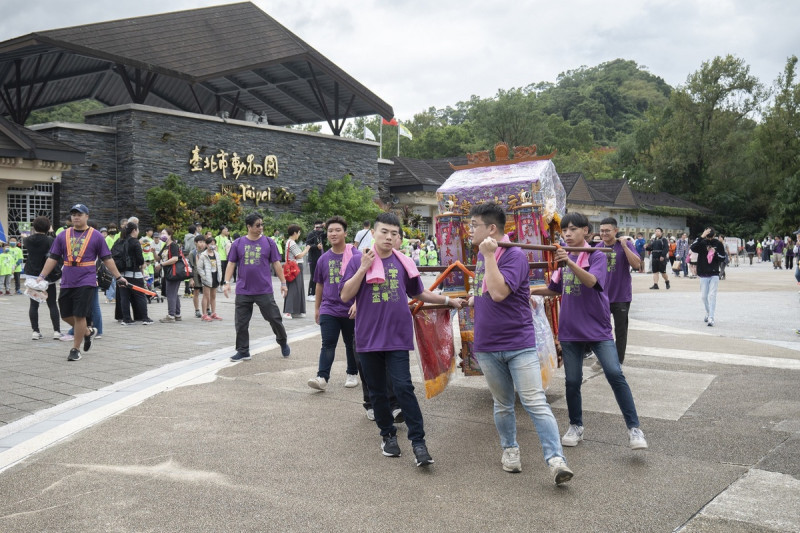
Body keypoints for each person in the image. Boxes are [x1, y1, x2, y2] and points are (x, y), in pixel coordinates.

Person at [340, 212, 464, 467]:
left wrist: (448, 301)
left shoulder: (403, 262)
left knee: (404, 387)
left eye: (394, 233)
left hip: (397, 336)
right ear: (373, 233)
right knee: (376, 392)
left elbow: (419, 292)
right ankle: (387, 435)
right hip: (368, 337)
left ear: (398, 237)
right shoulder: (357, 260)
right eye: (384, 232)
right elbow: (345, 295)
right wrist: (364, 267)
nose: (389, 237)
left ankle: (419, 442)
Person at [467, 202, 573, 485]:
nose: (469, 231)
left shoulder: (513, 255)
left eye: (474, 225)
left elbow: (500, 293)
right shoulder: (483, 255)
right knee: (502, 404)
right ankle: (510, 450)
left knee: (534, 401)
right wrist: (473, 297)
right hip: (488, 344)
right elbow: (485, 290)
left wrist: (489, 257)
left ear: (491, 229)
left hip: (518, 343)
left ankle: (555, 460)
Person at [531, 212, 648, 451]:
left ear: (586, 231)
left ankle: (634, 428)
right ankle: (576, 425)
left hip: (598, 328)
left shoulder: (597, 255)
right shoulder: (562, 256)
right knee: (572, 381)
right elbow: (554, 289)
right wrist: (526, 291)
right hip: (570, 329)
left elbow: (592, 282)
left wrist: (569, 261)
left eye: (573, 229)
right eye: (565, 230)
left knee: (615, 373)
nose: (567, 234)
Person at [37, 204, 128, 361]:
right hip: (67, 279)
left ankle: (75, 349)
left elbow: (107, 258)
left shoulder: (96, 236)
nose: (76, 217)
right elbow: (53, 258)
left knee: (80, 315)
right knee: (65, 314)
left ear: (87, 216)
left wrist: (118, 277)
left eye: (79, 214)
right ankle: (87, 332)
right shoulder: (63, 235)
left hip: (87, 279)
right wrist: (41, 276)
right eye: (73, 214)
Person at [223, 212, 290, 360]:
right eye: (257, 225)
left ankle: (283, 341)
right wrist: (226, 282)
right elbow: (231, 263)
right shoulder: (238, 243)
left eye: (262, 225)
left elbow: (277, 264)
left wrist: (283, 283)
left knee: (274, 318)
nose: (261, 227)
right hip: (243, 290)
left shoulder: (269, 242)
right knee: (241, 323)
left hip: (263, 289)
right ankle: (243, 350)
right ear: (249, 226)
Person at [307, 216, 359, 391]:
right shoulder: (323, 259)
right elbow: (320, 284)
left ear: (345, 232)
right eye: (330, 231)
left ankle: (352, 373)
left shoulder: (356, 257)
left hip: (351, 308)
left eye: (337, 230)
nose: (333, 233)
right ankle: (322, 377)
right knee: (328, 342)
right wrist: (317, 308)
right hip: (329, 308)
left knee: (351, 343)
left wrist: (358, 303)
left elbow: (365, 283)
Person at [590, 217, 642, 373]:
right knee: (601, 330)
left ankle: (618, 361)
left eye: (607, 230)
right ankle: (602, 359)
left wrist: (625, 246)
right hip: (601, 296)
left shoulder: (625, 245)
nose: (604, 233)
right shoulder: (597, 247)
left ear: (615, 230)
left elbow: (636, 264)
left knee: (620, 331)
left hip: (621, 296)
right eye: (602, 230)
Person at [25, 216, 64, 339]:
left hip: (32, 274)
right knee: (52, 303)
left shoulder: (27, 240)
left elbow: (26, 237)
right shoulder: (50, 240)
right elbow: (58, 246)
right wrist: (51, 232)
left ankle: (35, 332)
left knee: (34, 303)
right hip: (47, 275)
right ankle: (57, 331)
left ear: (34, 227)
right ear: (48, 227)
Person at [118, 222, 153, 326]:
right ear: (134, 230)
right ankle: (145, 318)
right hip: (134, 273)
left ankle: (126, 319)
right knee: (140, 295)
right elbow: (140, 259)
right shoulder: (135, 242)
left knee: (124, 297)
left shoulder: (120, 241)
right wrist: (142, 264)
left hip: (121, 274)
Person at [690, 227, 726, 327]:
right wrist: (702, 236)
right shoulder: (701, 242)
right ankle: (708, 312)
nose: (709, 240)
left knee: (712, 295)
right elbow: (692, 248)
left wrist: (715, 253)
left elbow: (723, 258)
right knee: (704, 296)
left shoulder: (718, 243)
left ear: (714, 236)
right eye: (707, 237)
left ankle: (711, 317)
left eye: (711, 237)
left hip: (714, 273)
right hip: (703, 273)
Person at [283, 224, 310, 319]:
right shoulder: (292, 243)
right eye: (298, 232)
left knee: (297, 288)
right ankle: (288, 311)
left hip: (293, 267)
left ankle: (296, 311)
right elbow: (299, 255)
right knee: (294, 288)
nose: (299, 234)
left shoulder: (289, 242)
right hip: (295, 267)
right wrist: (306, 250)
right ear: (294, 233)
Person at [158, 227, 185, 323]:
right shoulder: (165, 246)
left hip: (173, 272)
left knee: (170, 294)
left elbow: (175, 259)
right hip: (168, 272)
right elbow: (158, 257)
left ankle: (171, 315)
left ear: (169, 235)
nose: (162, 235)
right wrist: (153, 251)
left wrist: (162, 264)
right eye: (161, 233)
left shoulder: (173, 245)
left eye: (164, 233)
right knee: (174, 293)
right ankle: (177, 314)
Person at [198, 236, 222, 321]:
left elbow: (219, 266)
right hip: (207, 276)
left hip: (215, 276)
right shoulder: (203, 255)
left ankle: (213, 313)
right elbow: (199, 268)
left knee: (213, 296)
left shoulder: (216, 254)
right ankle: (204, 314)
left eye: (214, 244)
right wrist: (204, 277)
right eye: (211, 244)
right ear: (207, 245)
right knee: (206, 296)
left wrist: (220, 276)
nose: (213, 246)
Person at [305, 220, 325, 300]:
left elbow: (328, 234)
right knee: (313, 276)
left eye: (320, 227)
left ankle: (317, 293)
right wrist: (317, 247)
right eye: (317, 227)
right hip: (313, 258)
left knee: (320, 276)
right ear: (314, 227)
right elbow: (307, 245)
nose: (318, 229)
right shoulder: (311, 234)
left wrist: (325, 225)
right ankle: (310, 294)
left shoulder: (320, 234)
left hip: (320, 257)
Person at [188, 235, 206, 317]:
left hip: (205, 275)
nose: (202, 244)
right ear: (196, 243)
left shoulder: (206, 252)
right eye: (200, 242)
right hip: (195, 275)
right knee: (196, 292)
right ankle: (197, 310)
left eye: (203, 242)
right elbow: (190, 267)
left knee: (207, 293)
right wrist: (191, 279)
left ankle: (207, 309)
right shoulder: (192, 253)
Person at [214, 226, 231, 293]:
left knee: (224, 272)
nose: (226, 230)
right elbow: (216, 247)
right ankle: (217, 286)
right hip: (220, 258)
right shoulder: (218, 238)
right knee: (219, 273)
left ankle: (221, 285)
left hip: (226, 258)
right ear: (221, 230)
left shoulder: (227, 238)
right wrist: (216, 256)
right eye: (225, 229)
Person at [183, 224, 198, 296]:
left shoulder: (186, 237)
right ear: (195, 231)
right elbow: (194, 248)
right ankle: (191, 289)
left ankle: (186, 290)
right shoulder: (194, 238)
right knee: (192, 271)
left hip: (186, 254)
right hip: (192, 255)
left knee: (187, 271)